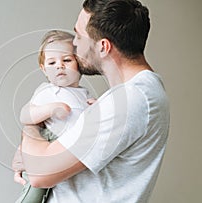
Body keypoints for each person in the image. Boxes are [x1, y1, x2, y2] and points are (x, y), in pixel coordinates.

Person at [13, 0, 170, 202]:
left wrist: (30, 126)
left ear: (103, 46)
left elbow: (39, 174)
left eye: (79, 35)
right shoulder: (136, 94)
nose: (74, 44)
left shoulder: (129, 100)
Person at [14, 30, 95, 203]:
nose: (60, 65)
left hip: (68, 150)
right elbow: (25, 115)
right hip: (49, 141)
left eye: (67, 60)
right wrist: (50, 109)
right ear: (44, 69)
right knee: (34, 192)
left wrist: (95, 107)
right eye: (52, 62)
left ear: (79, 63)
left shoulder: (83, 93)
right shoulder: (47, 91)